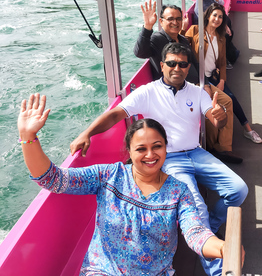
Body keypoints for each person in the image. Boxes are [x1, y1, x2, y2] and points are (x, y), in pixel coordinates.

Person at [71, 43, 248, 276]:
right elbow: (116, 113)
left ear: (188, 67)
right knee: (197, 209)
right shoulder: (148, 91)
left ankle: (213, 225)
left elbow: (216, 122)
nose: (177, 68)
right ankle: (218, 270)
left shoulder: (197, 91)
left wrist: (221, 117)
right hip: (170, 159)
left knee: (239, 190)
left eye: (183, 64)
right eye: (172, 63)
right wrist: (87, 133)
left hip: (196, 153)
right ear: (162, 65)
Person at [18, 93, 230, 275]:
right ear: (128, 151)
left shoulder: (178, 191)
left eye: (157, 146)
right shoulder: (109, 175)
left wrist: (223, 248)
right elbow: (53, 179)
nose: (150, 155)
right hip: (102, 270)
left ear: (166, 148)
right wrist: (28, 136)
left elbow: (195, 233)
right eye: (140, 149)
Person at [133, 1, 242, 164]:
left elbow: (195, 64)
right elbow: (140, 51)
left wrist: (204, 83)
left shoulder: (183, 40)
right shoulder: (157, 39)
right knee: (208, 107)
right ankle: (212, 148)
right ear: (161, 21)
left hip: (194, 85)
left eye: (178, 19)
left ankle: (223, 148)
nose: (175, 22)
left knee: (226, 101)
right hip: (174, 89)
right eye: (170, 19)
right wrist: (147, 27)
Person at [185, 3, 262, 144]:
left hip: (213, 77)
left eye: (220, 17)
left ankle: (248, 129)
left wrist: (222, 80)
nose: (217, 19)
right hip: (198, 77)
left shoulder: (221, 37)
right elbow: (182, 46)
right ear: (208, 16)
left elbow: (222, 62)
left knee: (231, 98)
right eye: (214, 15)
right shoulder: (195, 30)